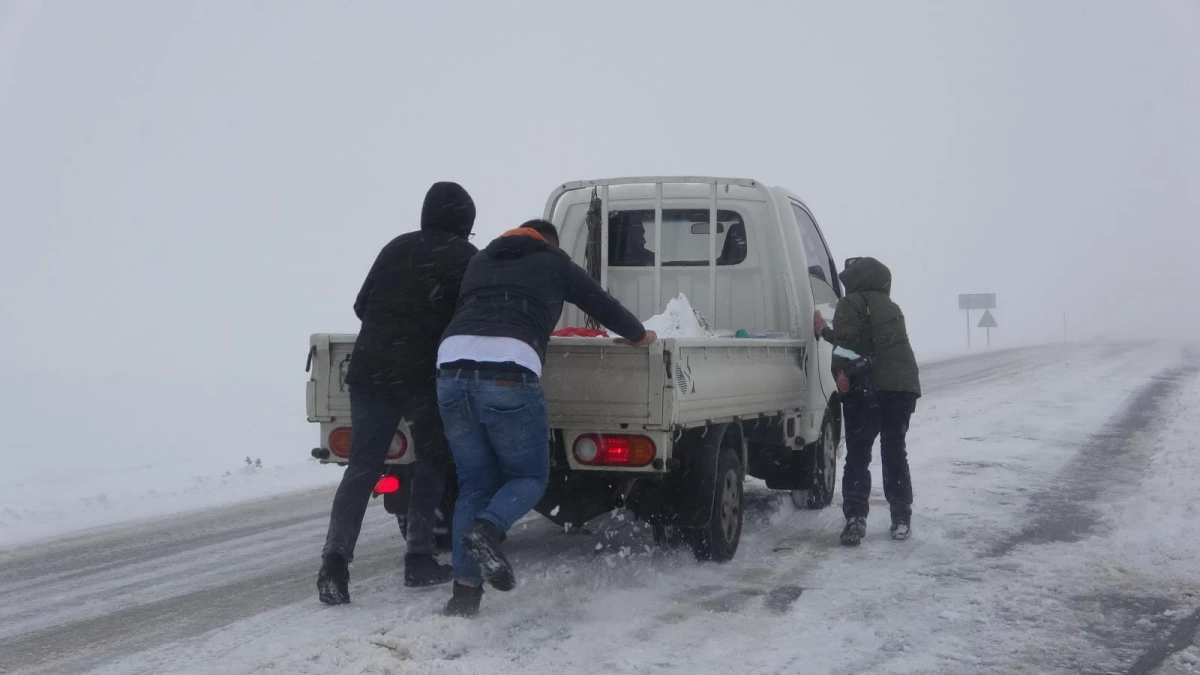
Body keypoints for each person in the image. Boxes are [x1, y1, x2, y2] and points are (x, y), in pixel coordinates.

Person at [435, 219, 656, 617]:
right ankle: (487, 529)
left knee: (474, 484)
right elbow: (604, 306)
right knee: (529, 476)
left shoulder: (481, 261)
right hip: (508, 371)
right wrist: (640, 336)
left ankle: (464, 594)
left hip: (450, 370)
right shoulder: (554, 262)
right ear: (549, 243)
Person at [317, 182, 478, 605]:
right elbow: (473, 317)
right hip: (421, 375)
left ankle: (334, 565)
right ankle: (419, 559)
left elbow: (360, 305)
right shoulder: (465, 257)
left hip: (371, 371)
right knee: (431, 461)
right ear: (465, 221)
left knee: (363, 468)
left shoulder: (395, 248)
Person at [813, 257, 921, 546]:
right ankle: (901, 518)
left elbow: (849, 345)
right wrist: (826, 333)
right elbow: (872, 343)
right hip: (902, 388)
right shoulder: (891, 307)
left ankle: (856, 518)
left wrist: (840, 372)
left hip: (867, 390)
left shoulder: (851, 303)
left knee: (859, 454)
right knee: (895, 451)